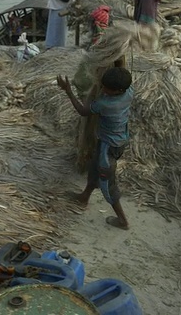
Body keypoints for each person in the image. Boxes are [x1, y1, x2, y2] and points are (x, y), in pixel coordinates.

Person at [56, 67, 133, 230]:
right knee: (94, 168)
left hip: (109, 146)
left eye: (107, 89)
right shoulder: (128, 92)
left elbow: (83, 111)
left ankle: (123, 220)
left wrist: (68, 90)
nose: (103, 90)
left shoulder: (105, 104)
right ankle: (84, 196)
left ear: (118, 90)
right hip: (117, 141)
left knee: (107, 184)